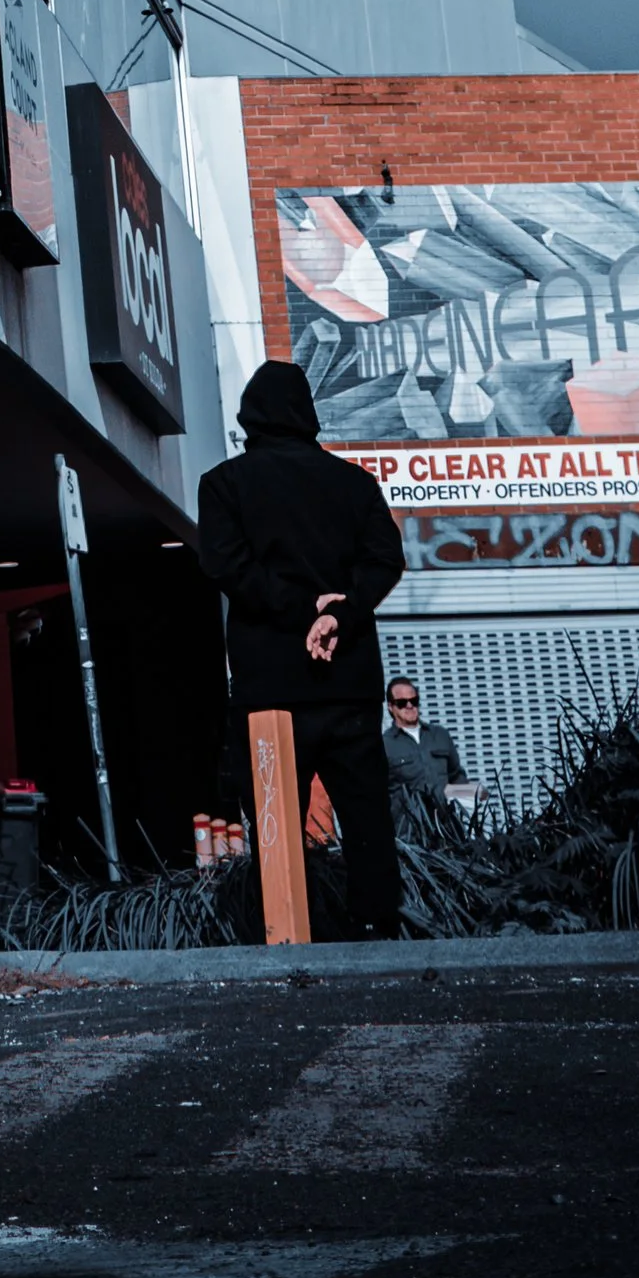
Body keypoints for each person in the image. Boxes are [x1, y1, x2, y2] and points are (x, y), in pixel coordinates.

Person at [196, 358, 406, 939]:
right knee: (366, 817)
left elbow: (225, 564)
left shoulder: (223, 485)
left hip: (271, 690)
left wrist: (299, 610)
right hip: (349, 685)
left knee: (274, 824)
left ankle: (287, 933)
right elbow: (386, 560)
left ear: (250, 417)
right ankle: (376, 930)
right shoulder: (356, 485)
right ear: (307, 414)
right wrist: (337, 611)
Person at [382, 676, 470, 826]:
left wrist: (465, 809)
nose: (410, 706)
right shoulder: (385, 744)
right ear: (391, 707)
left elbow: (456, 775)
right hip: (409, 834)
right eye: (402, 703)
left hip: (447, 828)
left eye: (414, 700)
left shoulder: (440, 735)